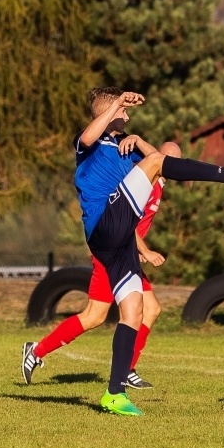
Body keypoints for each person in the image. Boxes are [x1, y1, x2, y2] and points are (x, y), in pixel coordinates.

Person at [25, 87, 224, 417]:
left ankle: (114, 394)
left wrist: (134, 135)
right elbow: (94, 136)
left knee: (134, 313)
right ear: (110, 111)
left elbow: (163, 163)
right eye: (124, 112)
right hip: (104, 225)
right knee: (98, 313)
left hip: (117, 245)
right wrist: (116, 104)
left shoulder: (124, 151)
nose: (128, 116)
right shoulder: (87, 144)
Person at [21, 141, 180, 391]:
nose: (176, 167)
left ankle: (128, 369)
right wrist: (145, 251)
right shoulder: (146, 182)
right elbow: (123, 221)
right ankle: (37, 350)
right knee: (95, 316)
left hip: (125, 253)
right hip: (112, 254)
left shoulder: (158, 184)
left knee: (151, 309)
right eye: (172, 161)